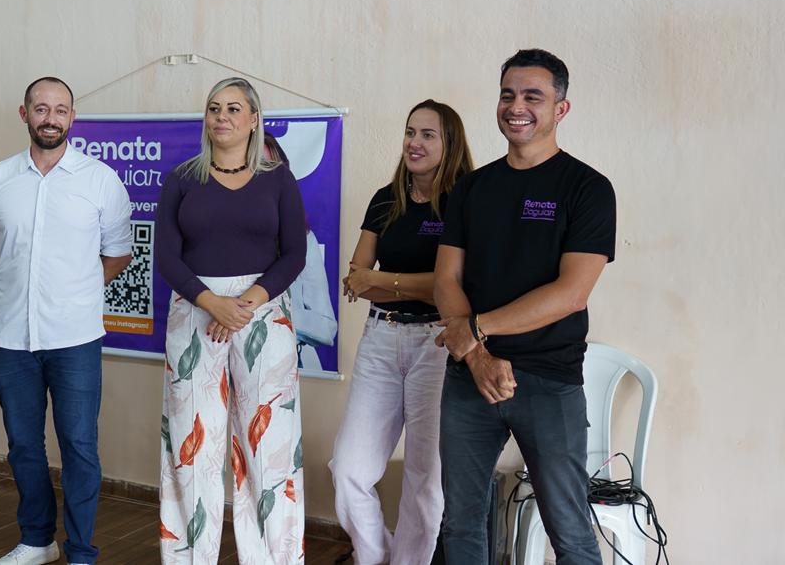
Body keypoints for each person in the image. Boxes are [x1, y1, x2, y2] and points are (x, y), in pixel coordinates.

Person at [434, 49, 616, 565]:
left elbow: (571, 293)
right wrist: (476, 355)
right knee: (461, 524)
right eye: (507, 95)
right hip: (469, 378)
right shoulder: (472, 187)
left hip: (549, 381)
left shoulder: (588, 188)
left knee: (570, 531)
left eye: (533, 96)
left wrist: (474, 330)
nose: (517, 107)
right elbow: (446, 278)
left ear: (561, 108)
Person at [0, 77, 133, 565]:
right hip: (12, 339)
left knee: (79, 446)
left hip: (75, 338)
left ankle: (81, 552)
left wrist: (74, 290)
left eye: (60, 110)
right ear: (24, 114)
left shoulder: (100, 179)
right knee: (23, 446)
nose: (51, 118)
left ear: (72, 118)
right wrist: (32, 288)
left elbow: (118, 253)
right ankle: (37, 540)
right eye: (41, 109)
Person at [155, 77, 307, 564]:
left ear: (254, 119)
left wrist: (241, 305)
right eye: (214, 108)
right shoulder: (181, 179)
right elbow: (166, 256)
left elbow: (295, 253)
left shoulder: (278, 179)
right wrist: (211, 302)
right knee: (190, 446)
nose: (222, 117)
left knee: (269, 446)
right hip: (194, 313)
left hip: (263, 314)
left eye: (234, 109)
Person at [328, 100, 474, 565]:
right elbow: (356, 279)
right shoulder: (385, 199)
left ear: (450, 143)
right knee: (348, 468)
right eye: (411, 132)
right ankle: (375, 556)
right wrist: (414, 285)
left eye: (428, 134)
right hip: (381, 339)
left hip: (438, 343)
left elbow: (453, 288)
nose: (414, 142)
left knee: (425, 479)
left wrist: (384, 281)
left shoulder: (465, 202)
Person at [263, 133, 337, 371]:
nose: (260, 178)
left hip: (279, 364)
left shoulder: (303, 239)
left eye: (269, 169)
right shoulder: (212, 234)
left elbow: (325, 327)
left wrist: (265, 314)